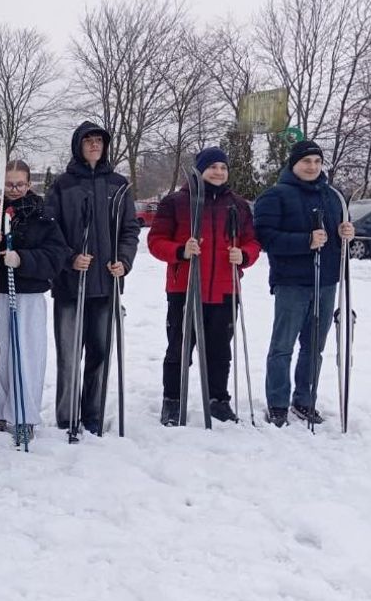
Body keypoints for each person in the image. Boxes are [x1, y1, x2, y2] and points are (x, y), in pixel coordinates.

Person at [147, 147, 261, 426]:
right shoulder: (176, 202)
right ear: (200, 169)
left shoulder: (238, 205)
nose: (218, 172)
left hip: (224, 289)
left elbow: (252, 242)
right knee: (179, 348)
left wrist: (244, 255)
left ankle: (218, 399)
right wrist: (180, 250)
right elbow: (155, 241)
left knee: (220, 350)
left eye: (223, 167)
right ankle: (172, 399)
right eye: (212, 167)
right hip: (184, 287)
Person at [46, 121, 140, 437]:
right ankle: (66, 416)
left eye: (99, 140)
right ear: (78, 145)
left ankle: (93, 414)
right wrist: (71, 257)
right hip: (70, 287)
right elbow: (51, 231)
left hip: (106, 285)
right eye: (88, 140)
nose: (94, 145)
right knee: (69, 356)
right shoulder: (62, 185)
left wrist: (124, 261)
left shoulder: (119, 184)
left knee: (99, 353)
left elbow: (130, 230)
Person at [253, 138, 354, 427]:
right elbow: (266, 237)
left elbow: (335, 240)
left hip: (326, 282)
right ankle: (277, 403)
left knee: (314, 348)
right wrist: (305, 241)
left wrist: (345, 233)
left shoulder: (333, 196)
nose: (312, 166)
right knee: (283, 346)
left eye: (317, 161)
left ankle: (305, 399)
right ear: (293, 164)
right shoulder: (275, 196)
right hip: (291, 282)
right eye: (306, 161)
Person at [0, 160, 65, 441]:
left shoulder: (43, 216)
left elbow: (56, 256)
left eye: (20, 184)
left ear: (28, 184)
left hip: (28, 296)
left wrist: (23, 259)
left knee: (27, 354)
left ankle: (24, 415)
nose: (14, 189)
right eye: (9, 184)